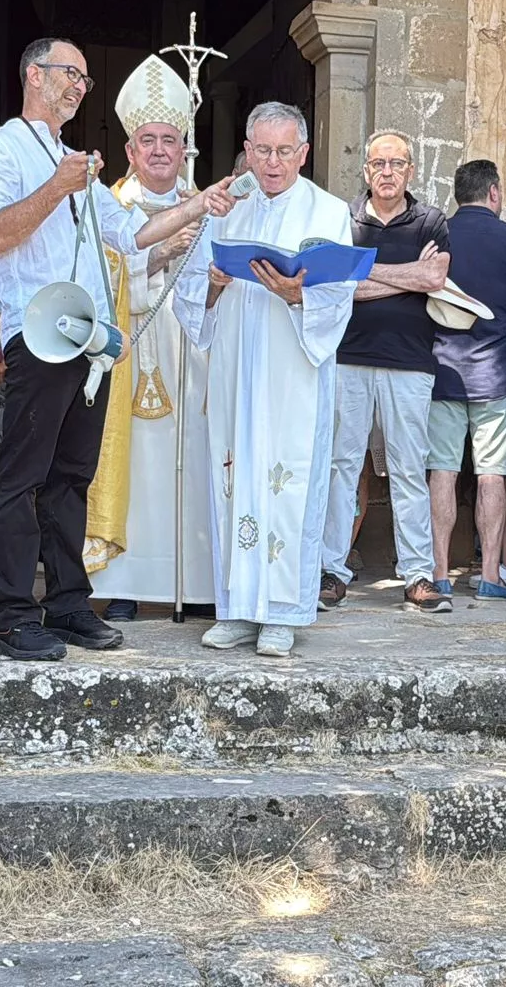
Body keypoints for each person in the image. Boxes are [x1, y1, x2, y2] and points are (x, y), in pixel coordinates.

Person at [0, 39, 229, 660]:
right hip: (40, 333)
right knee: (20, 478)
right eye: (71, 74)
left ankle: (66, 605)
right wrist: (58, 187)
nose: (80, 86)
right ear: (34, 74)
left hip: (91, 340)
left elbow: (131, 234)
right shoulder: (0, 149)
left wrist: (200, 202)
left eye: (85, 78)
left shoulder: (73, 161)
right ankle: (12, 616)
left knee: (70, 479)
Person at [179, 102, 355, 656]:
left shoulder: (327, 212)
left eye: (284, 151)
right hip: (236, 366)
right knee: (235, 478)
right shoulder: (227, 208)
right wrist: (211, 284)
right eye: (262, 151)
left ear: (303, 153)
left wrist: (296, 294)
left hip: (291, 372)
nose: (272, 163)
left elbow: (339, 293)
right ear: (247, 151)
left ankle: (282, 613)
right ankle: (236, 608)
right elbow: (191, 301)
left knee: (286, 482)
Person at [84, 56, 217, 622]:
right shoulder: (108, 205)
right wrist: (160, 252)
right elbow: (97, 277)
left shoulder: (215, 206)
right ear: (131, 150)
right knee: (137, 469)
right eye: (148, 140)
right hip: (133, 355)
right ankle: (125, 583)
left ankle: (201, 583)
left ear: (184, 147)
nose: (160, 149)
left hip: (198, 357)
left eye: (170, 139)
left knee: (197, 461)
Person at [319, 129, 450, 612]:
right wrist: (406, 277)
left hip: (410, 362)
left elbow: (434, 278)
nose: (388, 172)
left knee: (409, 469)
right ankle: (332, 569)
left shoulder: (431, 220)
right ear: (366, 170)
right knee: (341, 468)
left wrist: (367, 272)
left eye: (397, 164)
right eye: (379, 164)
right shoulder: (343, 219)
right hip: (348, 358)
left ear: (411, 170)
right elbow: (337, 287)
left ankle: (418, 574)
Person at [427, 160, 506, 605]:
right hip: (497, 373)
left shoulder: (437, 235)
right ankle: (491, 574)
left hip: (442, 373)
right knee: (493, 475)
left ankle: (438, 572)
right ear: (494, 192)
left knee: (443, 473)